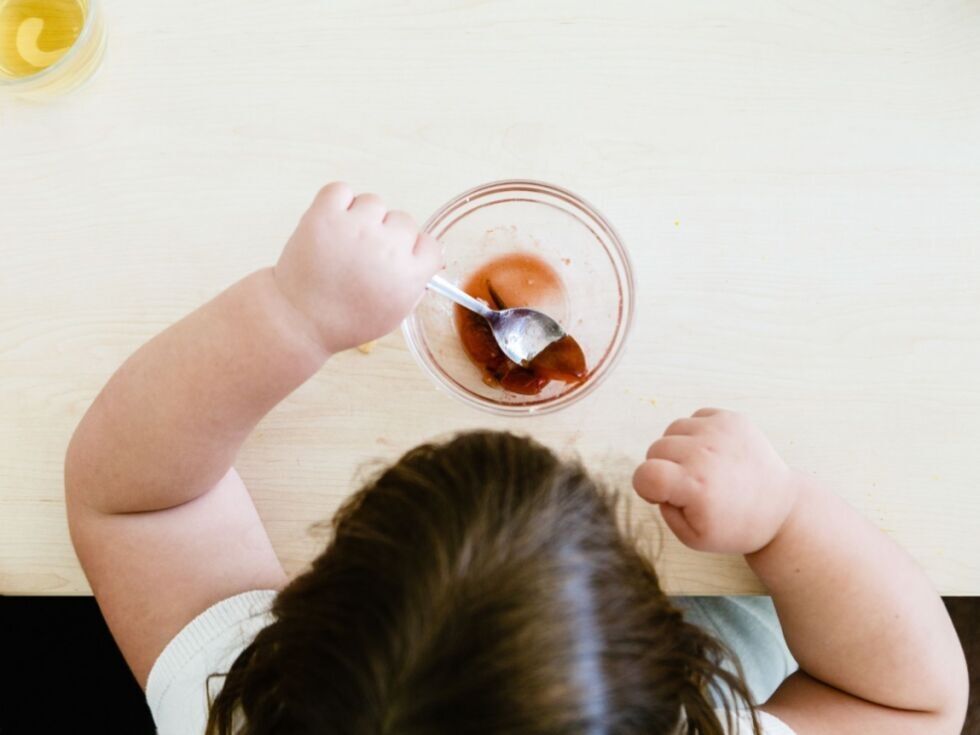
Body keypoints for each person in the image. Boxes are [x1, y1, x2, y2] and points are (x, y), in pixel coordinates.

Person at [65, 183, 968, 735]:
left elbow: (135, 501)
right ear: (673, 674)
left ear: (286, 634)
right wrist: (785, 519)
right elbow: (913, 705)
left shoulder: (241, 711)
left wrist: (291, 316)